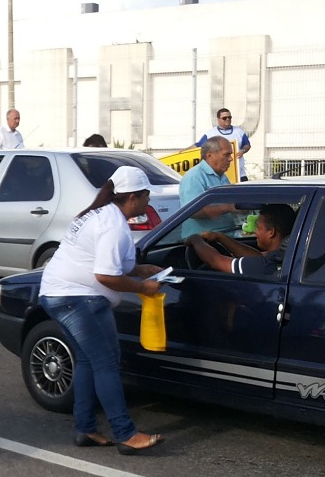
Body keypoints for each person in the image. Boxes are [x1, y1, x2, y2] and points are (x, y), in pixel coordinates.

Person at [38, 166, 165, 454]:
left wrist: (140, 269)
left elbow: (105, 261)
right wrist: (143, 288)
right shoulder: (112, 224)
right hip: (76, 297)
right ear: (132, 197)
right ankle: (125, 434)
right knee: (106, 363)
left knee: (89, 361)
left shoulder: (100, 213)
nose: (149, 201)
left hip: (68, 294)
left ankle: (85, 429)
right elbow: (105, 276)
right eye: (146, 196)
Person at [186, 204, 294, 276]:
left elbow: (215, 261)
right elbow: (257, 257)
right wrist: (221, 237)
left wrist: (195, 239)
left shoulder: (266, 266)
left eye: (258, 227)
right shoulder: (286, 255)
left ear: (271, 232)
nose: (254, 232)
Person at [179, 136, 237, 238]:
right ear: (210, 156)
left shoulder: (222, 176)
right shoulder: (194, 177)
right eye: (226, 155)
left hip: (224, 238)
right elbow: (193, 211)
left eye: (230, 155)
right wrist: (230, 208)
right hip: (203, 243)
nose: (231, 159)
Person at [195, 108, 251, 182]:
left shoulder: (239, 131)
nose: (227, 119)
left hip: (239, 174)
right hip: (219, 175)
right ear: (218, 119)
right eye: (224, 118)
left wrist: (242, 151)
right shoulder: (211, 134)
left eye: (229, 117)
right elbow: (198, 146)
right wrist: (182, 151)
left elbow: (247, 145)